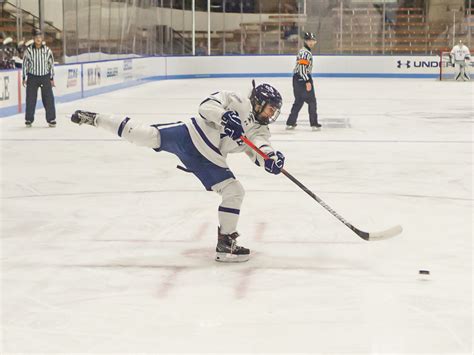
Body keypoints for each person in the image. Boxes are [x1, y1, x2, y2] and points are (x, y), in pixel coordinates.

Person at [70, 81, 285, 263]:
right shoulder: (237, 100)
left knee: (234, 191)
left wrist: (271, 160)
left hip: (210, 158)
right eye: (270, 109)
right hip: (191, 134)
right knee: (146, 135)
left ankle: (225, 242)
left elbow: (260, 147)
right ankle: (96, 118)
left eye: (274, 111)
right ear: (258, 102)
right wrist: (225, 117)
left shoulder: (260, 129)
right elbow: (206, 106)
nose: (272, 114)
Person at [286, 32, 321, 131]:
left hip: (298, 78)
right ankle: (314, 123)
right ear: (305, 41)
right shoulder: (305, 53)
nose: (311, 42)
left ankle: (290, 123)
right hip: (302, 78)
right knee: (312, 102)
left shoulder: (304, 51)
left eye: (312, 40)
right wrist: (307, 81)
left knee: (299, 101)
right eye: (309, 40)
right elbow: (302, 68)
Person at [22, 29, 56, 127]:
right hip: (32, 77)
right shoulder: (28, 50)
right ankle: (29, 119)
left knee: (48, 98)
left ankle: (51, 119)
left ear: (42, 38)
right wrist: (24, 77)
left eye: (40, 37)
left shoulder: (47, 50)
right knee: (30, 99)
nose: (38, 39)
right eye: (36, 37)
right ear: (33, 38)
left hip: (45, 76)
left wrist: (51, 78)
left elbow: (51, 64)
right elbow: (25, 64)